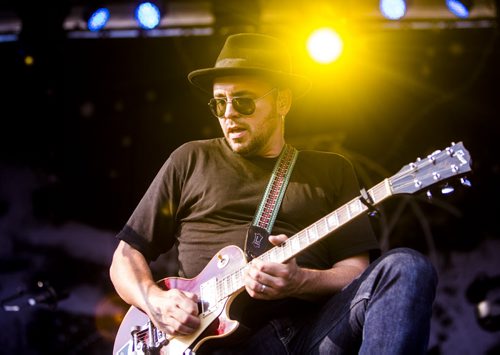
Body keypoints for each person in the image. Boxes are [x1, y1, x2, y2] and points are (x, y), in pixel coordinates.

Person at [109, 33, 438, 354]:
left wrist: (299, 281)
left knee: (406, 267)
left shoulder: (332, 170)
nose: (228, 114)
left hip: (313, 334)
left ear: (283, 101)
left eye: (243, 101)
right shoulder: (191, 159)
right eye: (218, 103)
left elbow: (355, 272)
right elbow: (124, 258)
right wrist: (155, 300)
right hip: (211, 343)